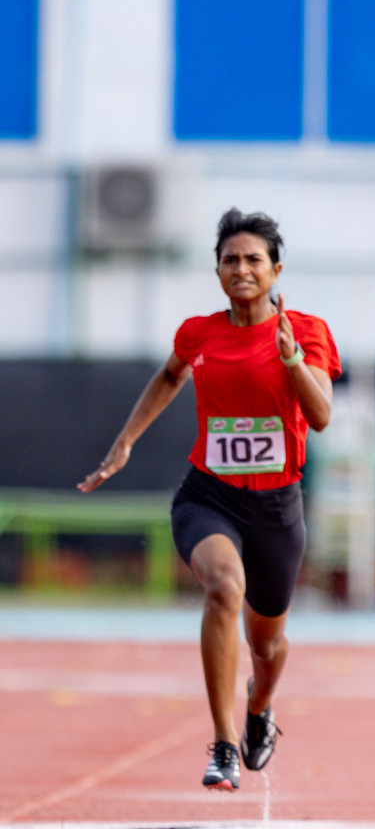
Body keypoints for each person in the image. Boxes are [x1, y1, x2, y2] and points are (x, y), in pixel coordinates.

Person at [79, 209, 341, 791]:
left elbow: (320, 417)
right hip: (209, 497)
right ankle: (224, 745)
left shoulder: (308, 331)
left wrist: (292, 358)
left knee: (267, 645)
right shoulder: (198, 334)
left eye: (253, 260)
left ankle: (257, 709)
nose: (241, 269)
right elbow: (170, 376)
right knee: (225, 587)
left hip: (277, 508)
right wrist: (125, 441)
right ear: (217, 270)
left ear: (276, 269)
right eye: (230, 260)